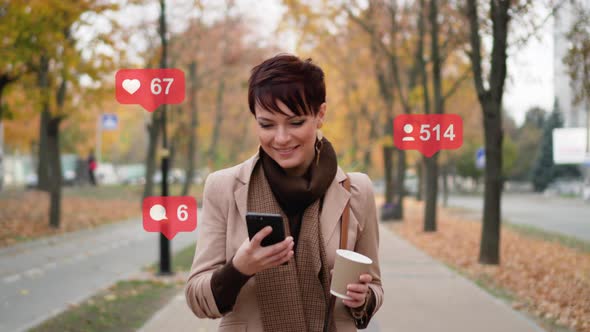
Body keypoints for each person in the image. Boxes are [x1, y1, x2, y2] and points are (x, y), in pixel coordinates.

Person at [185, 54, 383, 332]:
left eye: (295, 122)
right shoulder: (224, 187)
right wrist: (239, 268)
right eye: (266, 125)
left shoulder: (357, 191)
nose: (281, 138)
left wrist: (361, 299)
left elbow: (374, 287)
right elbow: (197, 298)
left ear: (320, 115)